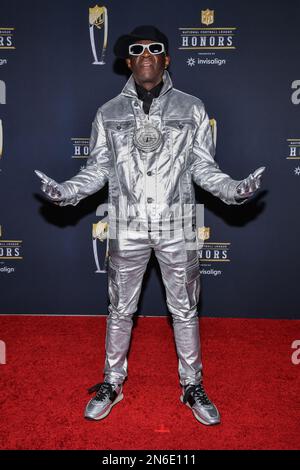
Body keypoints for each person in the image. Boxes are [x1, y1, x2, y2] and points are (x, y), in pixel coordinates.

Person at [35, 25, 265, 426]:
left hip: (179, 224)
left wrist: (234, 190)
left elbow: (203, 168)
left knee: (185, 310)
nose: (146, 54)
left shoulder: (192, 107)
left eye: (155, 48)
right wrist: (66, 191)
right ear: (128, 60)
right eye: (137, 49)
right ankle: (112, 382)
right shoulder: (108, 113)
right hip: (126, 225)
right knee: (120, 310)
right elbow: (98, 169)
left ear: (166, 58)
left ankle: (192, 385)